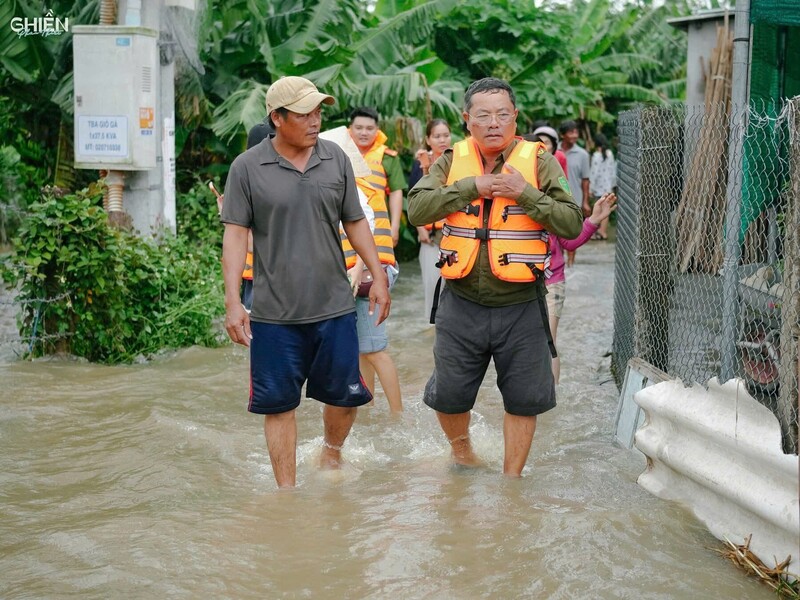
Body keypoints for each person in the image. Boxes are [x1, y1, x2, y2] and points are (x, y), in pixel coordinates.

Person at [407, 77, 583, 476]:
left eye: (503, 114)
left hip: (521, 305)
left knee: (524, 399)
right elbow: (417, 210)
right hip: (460, 300)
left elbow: (572, 223)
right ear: (467, 119)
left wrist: (525, 193)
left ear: (515, 117)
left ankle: (511, 481)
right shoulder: (452, 160)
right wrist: (471, 187)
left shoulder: (538, 161)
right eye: (483, 115)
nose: (493, 123)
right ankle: (463, 454)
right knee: (449, 395)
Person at [220, 76, 390, 488]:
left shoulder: (334, 158)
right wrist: (231, 301)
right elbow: (236, 235)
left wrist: (378, 273)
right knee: (278, 406)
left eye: (318, 111)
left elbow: (354, 220)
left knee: (346, 398)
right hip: (274, 313)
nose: (315, 121)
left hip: (334, 306)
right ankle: (286, 492)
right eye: (304, 114)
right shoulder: (246, 167)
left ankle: (331, 453)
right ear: (277, 118)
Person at [343, 107, 405, 413]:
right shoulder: (356, 183)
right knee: (362, 350)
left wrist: (359, 268)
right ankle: (367, 411)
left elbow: (365, 232)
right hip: (365, 269)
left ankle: (397, 417)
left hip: (369, 270)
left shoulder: (358, 187)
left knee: (376, 349)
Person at [546, 193, 617, 383]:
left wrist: (594, 219)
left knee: (547, 341)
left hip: (551, 281)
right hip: (516, 283)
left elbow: (569, 242)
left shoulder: (549, 203)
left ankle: (550, 398)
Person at [408, 118, 453, 322]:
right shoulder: (420, 163)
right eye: (437, 136)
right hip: (430, 236)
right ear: (428, 139)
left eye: (445, 135)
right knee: (431, 287)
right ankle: (433, 333)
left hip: (454, 234)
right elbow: (415, 198)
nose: (442, 140)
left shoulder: (458, 160)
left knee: (453, 290)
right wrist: (421, 230)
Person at [558, 120, 591, 267]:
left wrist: (585, 201)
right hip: (556, 198)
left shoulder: (582, 154)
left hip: (575, 198)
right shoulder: (553, 150)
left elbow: (585, 179)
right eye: (571, 132)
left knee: (572, 232)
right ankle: (560, 260)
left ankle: (571, 262)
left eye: (576, 132)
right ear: (562, 135)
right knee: (557, 231)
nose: (574, 135)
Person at [589, 133, 617, 240]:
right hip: (608, 186)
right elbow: (613, 171)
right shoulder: (610, 154)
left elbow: (594, 173)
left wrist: (591, 188)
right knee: (606, 210)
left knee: (597, 210)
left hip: (599, 188)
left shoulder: (596, 155)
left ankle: (597, 232)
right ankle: (603, 232)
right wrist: (613, 185)